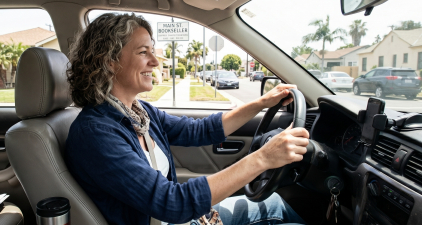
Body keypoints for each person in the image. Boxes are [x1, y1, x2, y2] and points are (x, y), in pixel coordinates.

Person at [65, 13, 308, 225]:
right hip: (169, 219)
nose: (155, 61)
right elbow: (172, 203)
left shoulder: (139, 112)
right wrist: (263, 158)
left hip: (172, 221)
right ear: (109, 61)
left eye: (153, 50)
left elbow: (199, 130)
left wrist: (262, 103)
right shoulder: (95, 134)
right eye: (143, 52)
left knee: (274, 202)